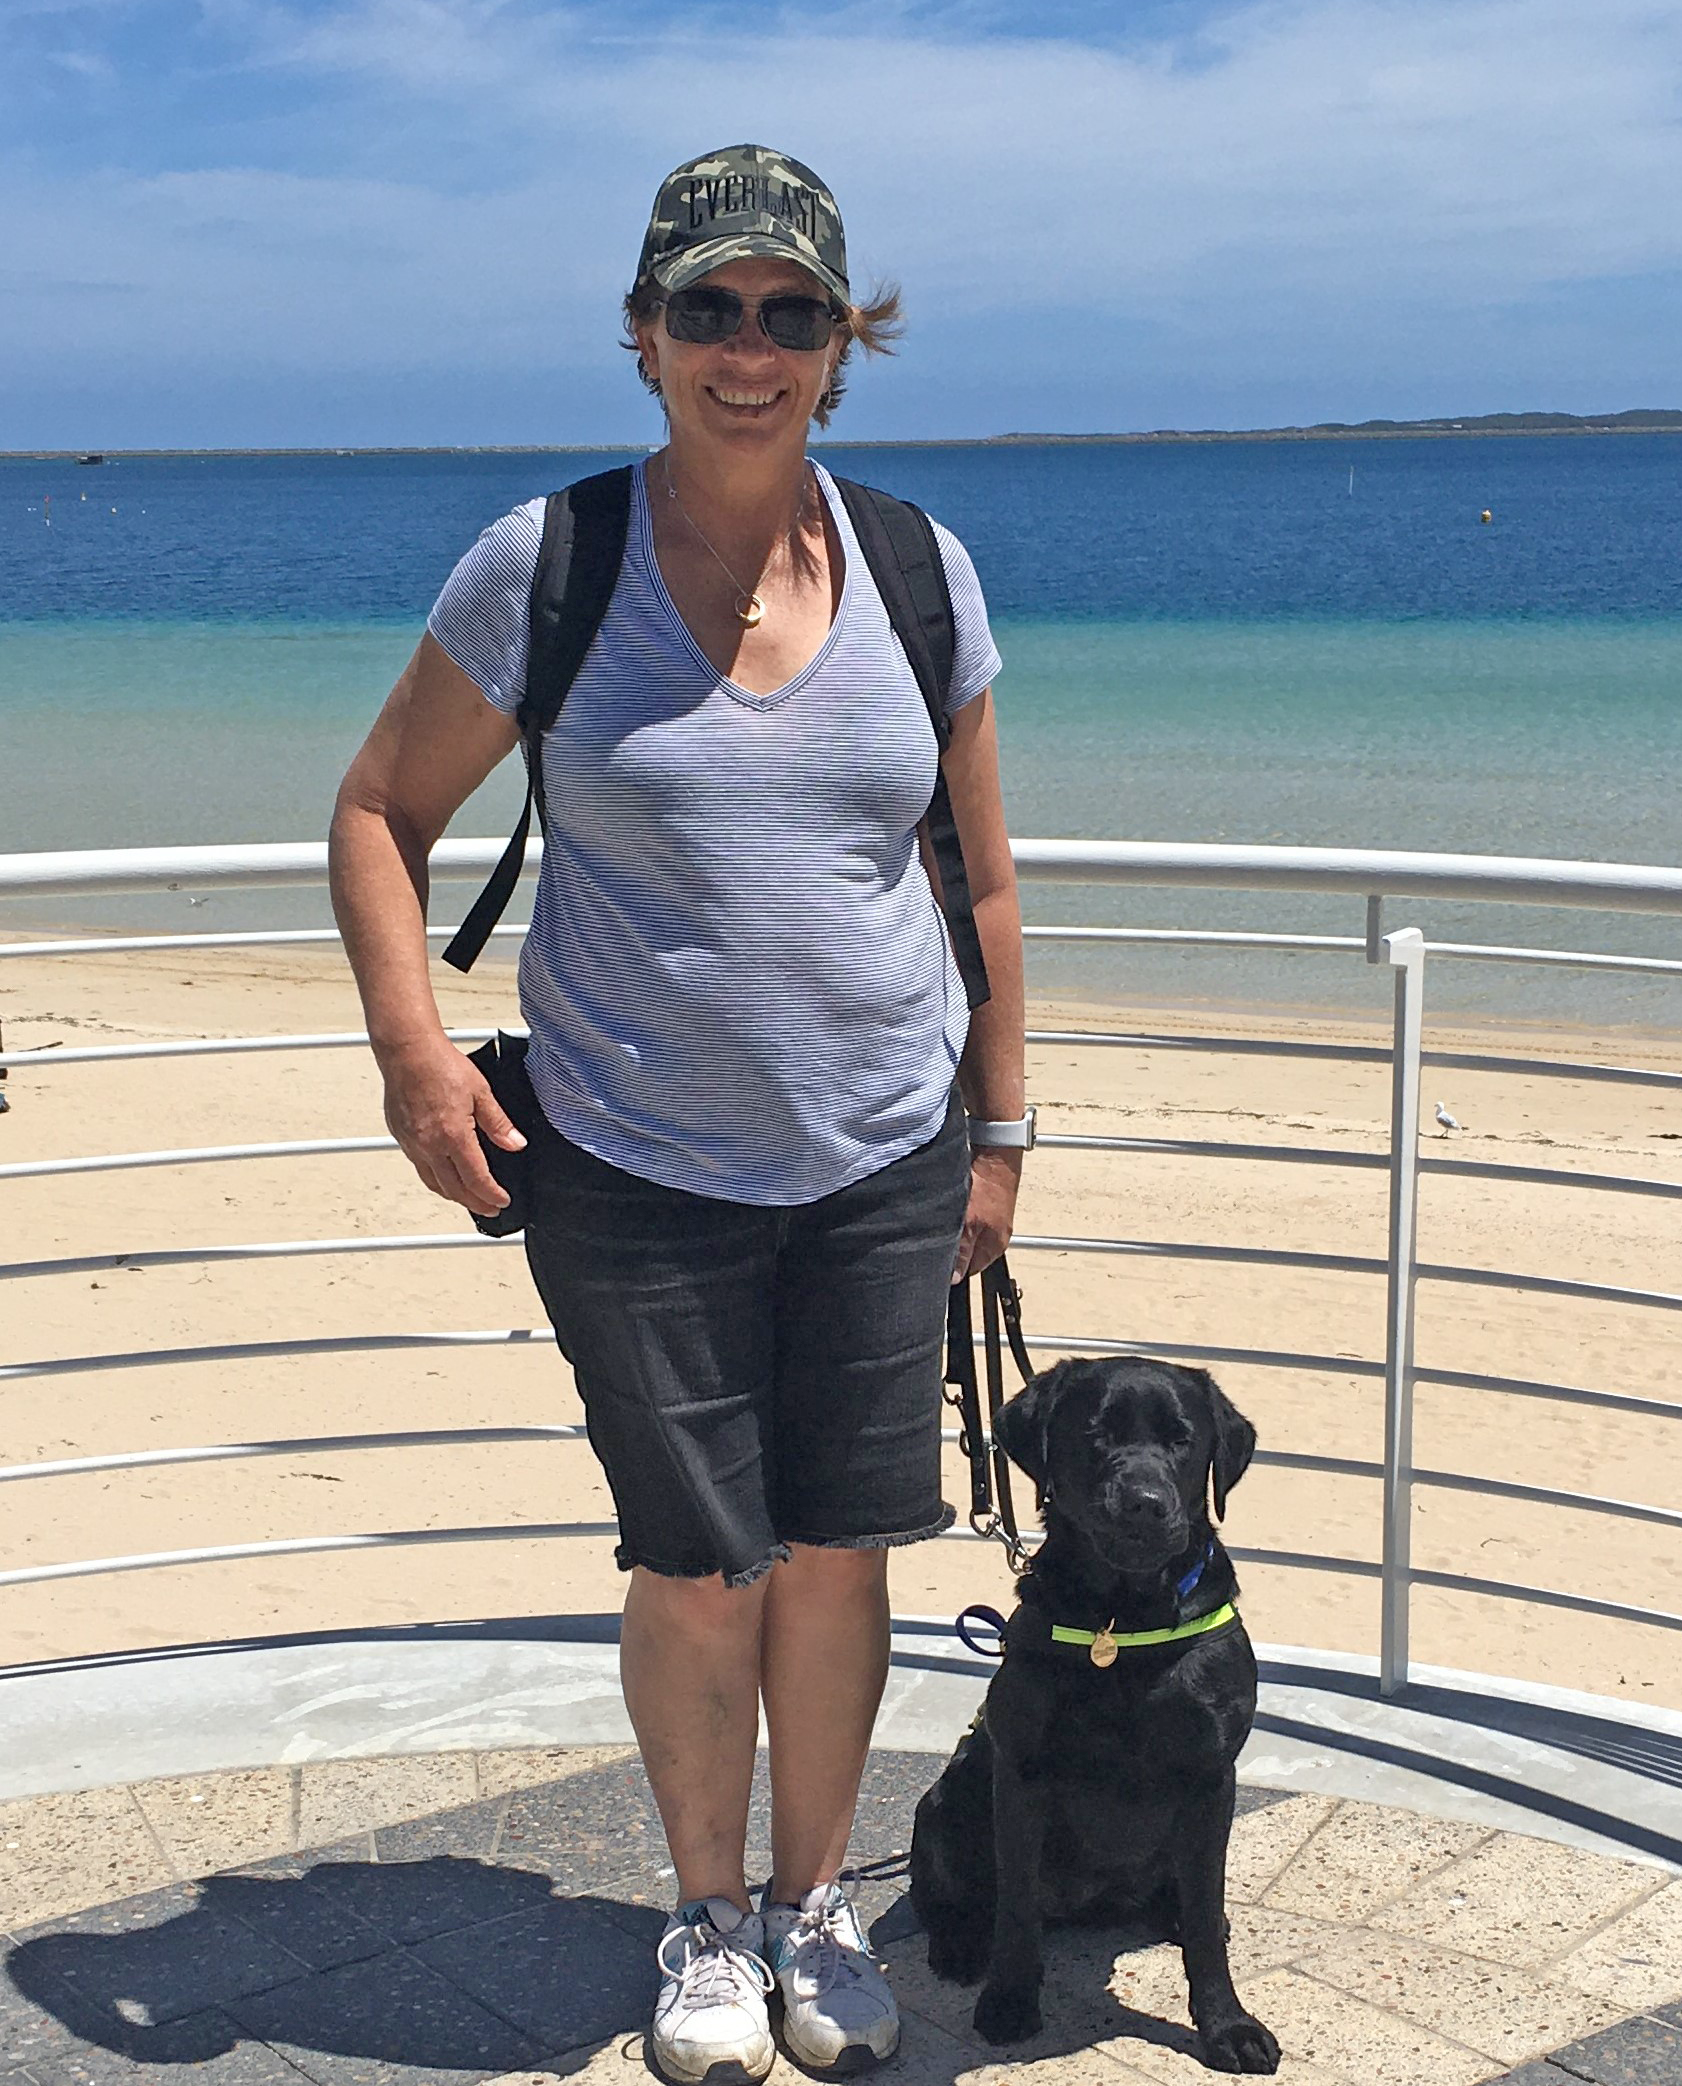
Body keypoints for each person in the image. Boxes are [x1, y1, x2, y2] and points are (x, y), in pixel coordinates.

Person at [329, 144, 1026, 2084]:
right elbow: (379, 812)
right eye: (705, 310)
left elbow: (977, 878)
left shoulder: (914, 567)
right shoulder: (546, 565)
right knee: (696, 1557)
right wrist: (410, 1052)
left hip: (887, 1151)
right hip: (633, 1164)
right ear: (644, 338)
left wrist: (1000, 1133)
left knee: (838, 1555)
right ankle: (706, 1915)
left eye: (787, 312)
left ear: (838, 344)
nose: (746, 347)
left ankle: (816, 1910)